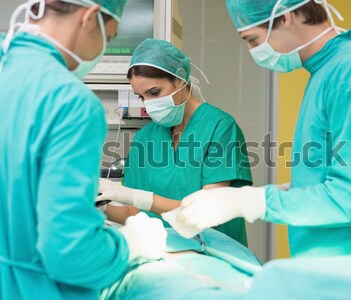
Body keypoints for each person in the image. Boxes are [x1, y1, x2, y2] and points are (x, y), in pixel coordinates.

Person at [176, 0, 351, 257]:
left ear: (284, 17)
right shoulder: (327, 71)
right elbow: (322, 179)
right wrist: (244, 197)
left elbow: (348, 198)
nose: (253, 51)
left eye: (252, 39)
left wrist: (251, 202)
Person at [0, 1, 163, 299]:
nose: (102, 48)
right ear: (90, 17)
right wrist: (130, 246)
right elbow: (71, 253)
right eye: (109, 37)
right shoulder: (68, 101)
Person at [97, 38, 253, 246]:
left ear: (180, 79)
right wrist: (102, 208)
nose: (149, 103)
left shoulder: (220, 127)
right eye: (141, 97)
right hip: (163, 255)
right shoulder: (145, 138)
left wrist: (139, 197)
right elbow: (133, 213)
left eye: (154, 92)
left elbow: (207, 215)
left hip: (215, 254)